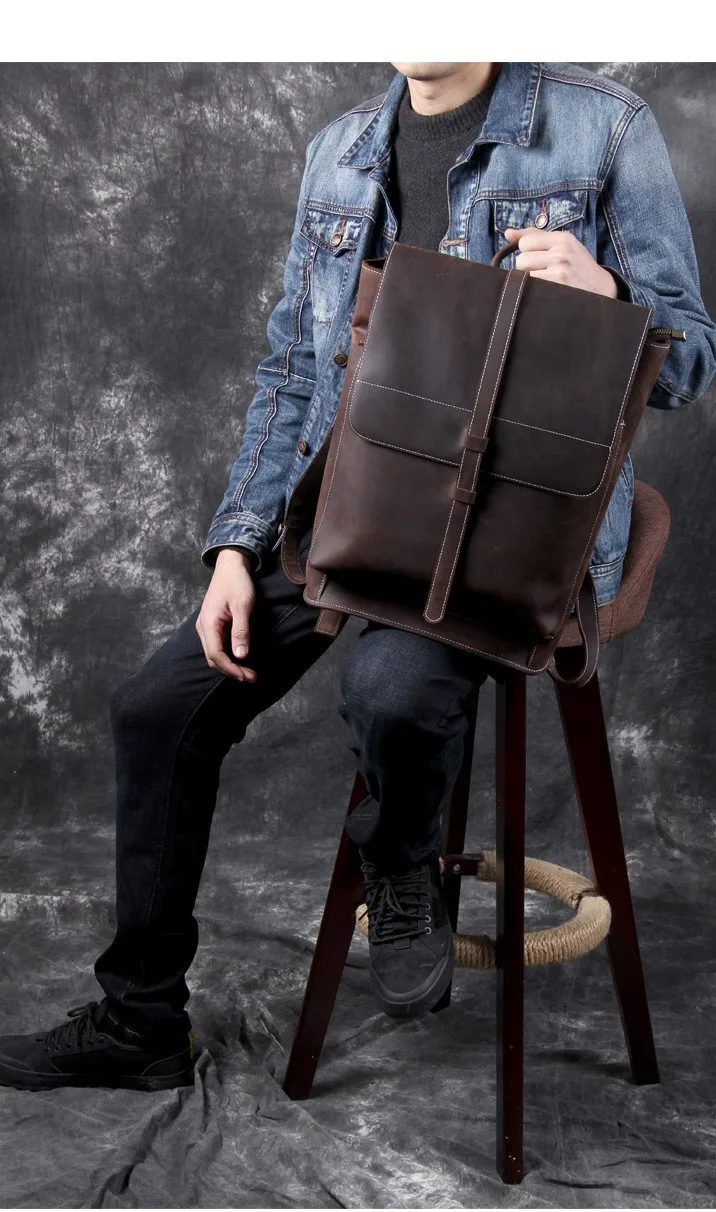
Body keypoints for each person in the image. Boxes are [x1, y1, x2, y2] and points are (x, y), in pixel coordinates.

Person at [1, 61, 713, 1093]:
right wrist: (237, 547)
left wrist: (608, 299)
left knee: (391, 690)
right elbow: (294, 370)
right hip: (345, 512)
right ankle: (139, 1021)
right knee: (155, 707)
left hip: (498, 537)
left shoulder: (602, 130)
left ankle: (401, 857)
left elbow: (688, 361)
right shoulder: (337, 153)